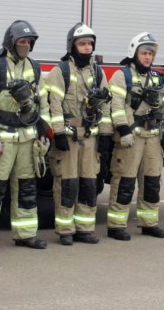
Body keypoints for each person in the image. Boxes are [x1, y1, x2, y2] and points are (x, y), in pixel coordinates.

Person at [0, 20, 51, 252]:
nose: (26, 45)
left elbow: (43, 103)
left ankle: (26, 235)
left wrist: (43, 133)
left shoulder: (35, 68)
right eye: (22, 41)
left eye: (29, 42)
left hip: (27, 140)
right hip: (4, 140)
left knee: (27, 189)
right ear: (11, 41)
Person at [46, 23, 113, 245]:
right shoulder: (61, 71)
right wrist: (58, 133)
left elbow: (105, 104)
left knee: (88, 183)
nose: (87, 47)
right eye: (82, 43)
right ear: (72, 45)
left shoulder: (98, 71)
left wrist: (105, 135)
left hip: (91, 137)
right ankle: (65, 230)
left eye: (90, 44)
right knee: (67, 184)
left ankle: (84, 228)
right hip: (69, 135)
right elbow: (53, 104)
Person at [106, 33, 164, 241]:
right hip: (130, 139)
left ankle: (149, 223)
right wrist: (123, 129)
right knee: (124, 182)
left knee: (152, 182)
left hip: (152, 138)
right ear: (134, 53)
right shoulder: (122, 76)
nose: (148, 57)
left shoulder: (157, 78)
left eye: (150, 54)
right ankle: (116, 225)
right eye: (144, 53)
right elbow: (116, 105)